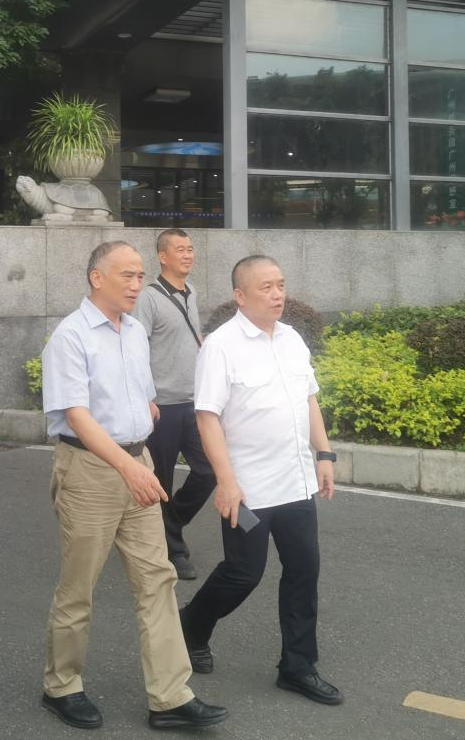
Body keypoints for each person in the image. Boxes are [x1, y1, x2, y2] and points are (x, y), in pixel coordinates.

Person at [40, 240, 228, 731]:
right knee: (79, 586)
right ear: (96, 278)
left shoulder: (135, 331)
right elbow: (77, 416)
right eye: (126, 274)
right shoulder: (71, 336)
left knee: (157, 580)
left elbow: (143, 391)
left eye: (140, 275)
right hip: (90, 472)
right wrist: (128, 466)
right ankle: (61, 686)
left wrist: (145, 411)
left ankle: (170, 696)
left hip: (136, 462)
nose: (136, 284)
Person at [178, 255, 342, 706]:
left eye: (281, 285)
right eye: (266, 287)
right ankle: (191, 625)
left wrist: (324, 453)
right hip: (248, 489)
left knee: (304, 570)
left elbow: (309, 399)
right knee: (243, 573)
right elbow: (207, 417)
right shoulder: (221, 346)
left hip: (296, 482)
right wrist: (226, 481)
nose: (277, 294)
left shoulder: (291, 338)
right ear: (240, 295)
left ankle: (298, 667)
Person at [132, 228, 214, 581]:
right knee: (160, 480)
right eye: (180, 249)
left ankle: (171, 522)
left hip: (193, 401)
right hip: (162, 406)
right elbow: (135, 348)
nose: (188, 254)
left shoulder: (191, 292)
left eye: (190, 248)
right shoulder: (148, 298)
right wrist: (146, 397)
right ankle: (172, 549)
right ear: (162, 257)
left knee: (208, 471)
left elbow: (191, 336)